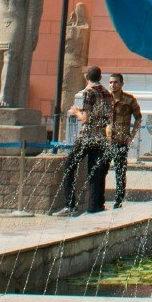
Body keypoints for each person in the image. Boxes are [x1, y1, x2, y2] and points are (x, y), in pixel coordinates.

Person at [50, 66, 114, 215]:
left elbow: (87, 118)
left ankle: (70, 204)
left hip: (87, 137)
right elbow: (105, 116)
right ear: (100, 77)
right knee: (95, 171)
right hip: (101, 138)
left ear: (87, 77)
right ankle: (95, 206)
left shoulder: (89, 92)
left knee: (69, 166)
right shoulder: (107, 93)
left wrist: (76, 112)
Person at [105, 71, 142, 208]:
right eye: (110, 82)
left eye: (115, 82)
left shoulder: (129, 99)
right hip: (106, 141)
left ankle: (118, 200)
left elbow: (138, 117)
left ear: (121, 84)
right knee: (101, 170)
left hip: (121, 140)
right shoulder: (105, 99)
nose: (112, 85)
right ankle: (99, 199)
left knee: (120, 171)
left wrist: (131, 136)